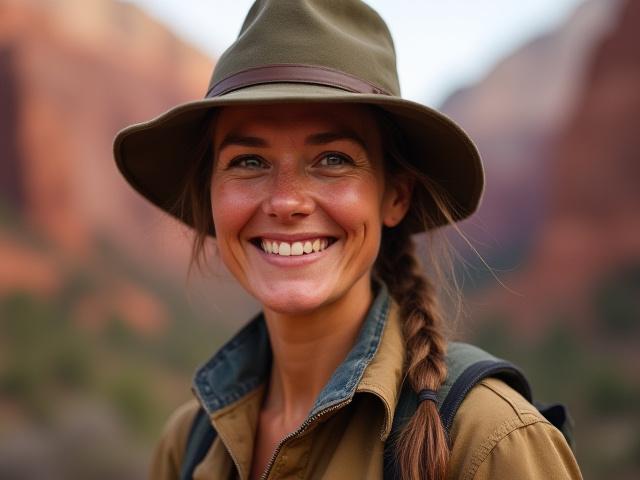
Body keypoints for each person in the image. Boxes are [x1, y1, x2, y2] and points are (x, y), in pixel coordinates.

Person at [113, 1, 583, 479]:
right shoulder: (188, 445)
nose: (286, 201)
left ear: (394, 196)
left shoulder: (486, 441)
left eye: (333, 159)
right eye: (248, 162)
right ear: (210, 195)